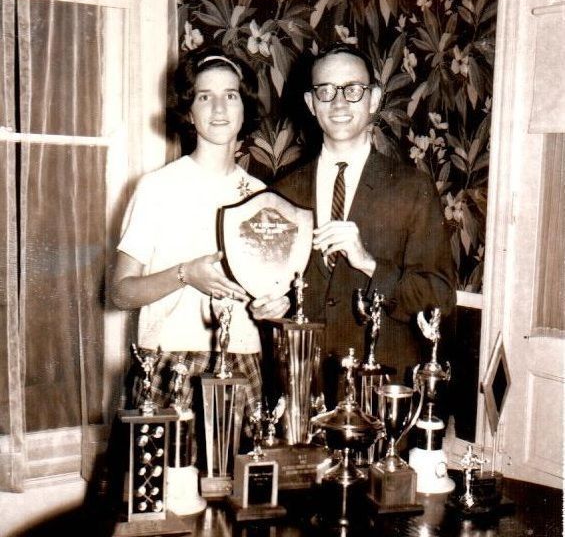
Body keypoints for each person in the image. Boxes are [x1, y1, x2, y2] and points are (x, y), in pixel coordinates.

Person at [251, 43, 456, 408]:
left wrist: (369, 263)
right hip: (303, 387)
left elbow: (439, 296)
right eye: (326, 91)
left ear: (374, 99)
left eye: (353, 90)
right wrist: (270, 307)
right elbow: (279, 293)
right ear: (311, 104)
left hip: (381, 389)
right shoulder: (282, 193)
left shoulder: (412, 188)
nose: (339, 103)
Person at [111, 46, 278, 417]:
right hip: (170, 361)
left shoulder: (261, 197)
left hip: (244, 359)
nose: (219, 108)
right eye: (205, 97)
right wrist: (186, 274)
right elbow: (121, 292)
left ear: (245, 109)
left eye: (230, 96)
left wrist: (271, 306)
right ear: (188, 110)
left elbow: (266, 294)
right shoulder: (157, 187)